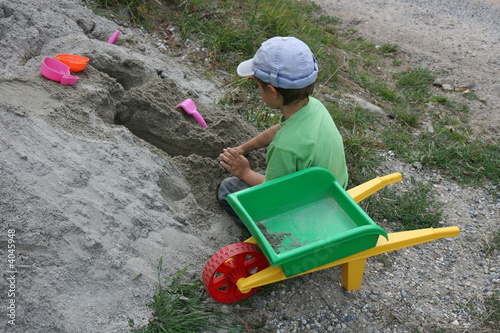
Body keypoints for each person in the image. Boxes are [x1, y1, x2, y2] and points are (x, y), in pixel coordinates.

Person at [217, 36, 348, 225]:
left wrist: (244, 172)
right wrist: (242, 149)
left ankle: (268, 230)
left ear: (272, 91)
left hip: (305, 209)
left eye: (258, 86)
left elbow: (272, 189)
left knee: (228, 189)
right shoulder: (314, 107)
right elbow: (277, 130)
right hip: (331, 189)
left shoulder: (285, 147)